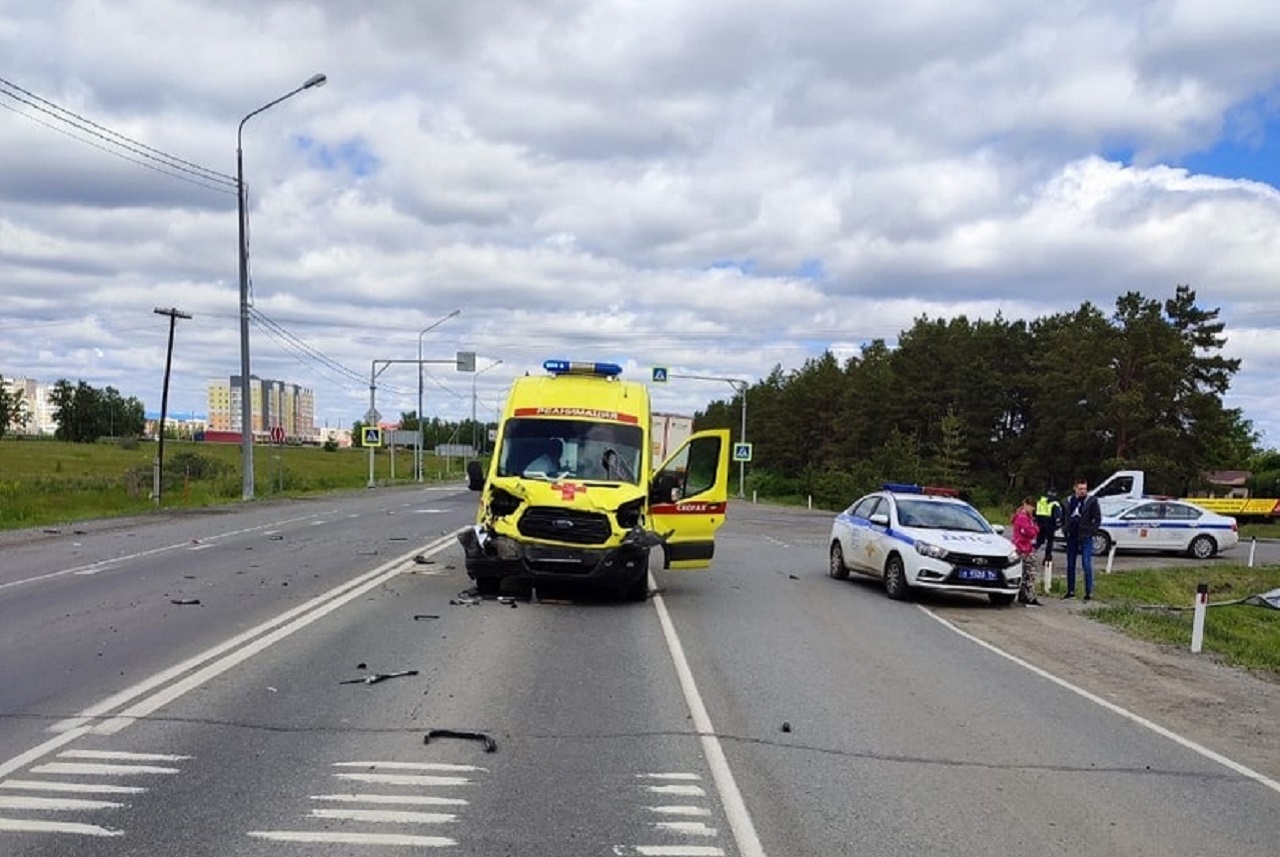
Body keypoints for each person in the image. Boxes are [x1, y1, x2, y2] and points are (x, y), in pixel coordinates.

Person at [1062, 477, 1102, 601]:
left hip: (1085, 536)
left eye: (1084, 489)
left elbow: (1097, 519)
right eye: (1080, 489)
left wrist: (1091, 531)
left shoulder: (1092, 501)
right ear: (1075, 488)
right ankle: (1071, 591)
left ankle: (1088, 592)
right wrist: (1065, 529)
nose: (1083, 491)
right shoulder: (1068, 501)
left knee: (1086, 564)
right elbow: (1064, 517)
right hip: (1072, 536)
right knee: (1070, 564)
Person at [1011, 496, 1042, 605]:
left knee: (1026, 574)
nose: (1032, 509)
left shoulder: (1027, 517)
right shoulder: (1023, 518)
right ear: (1026, 505)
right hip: (1023, 549)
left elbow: (1035, 529)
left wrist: (1034, 528)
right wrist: (1034, 528)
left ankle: (1023, 595)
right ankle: (1028, 596)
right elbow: (1031, 532)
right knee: (1029, 574)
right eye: (1031, 506)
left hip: (1025, 548)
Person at [1033, 487, 1062, 563]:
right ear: (1055, 494)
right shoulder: (1055, 503)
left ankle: (1030, 553)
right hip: (1050, 525)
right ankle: (1047, 557)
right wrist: (1058, 525)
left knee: (1039, 542)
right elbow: (1058, 516)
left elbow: (1035, 513)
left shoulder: (1041, 501)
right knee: (1049, 542)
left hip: (1040, 525)